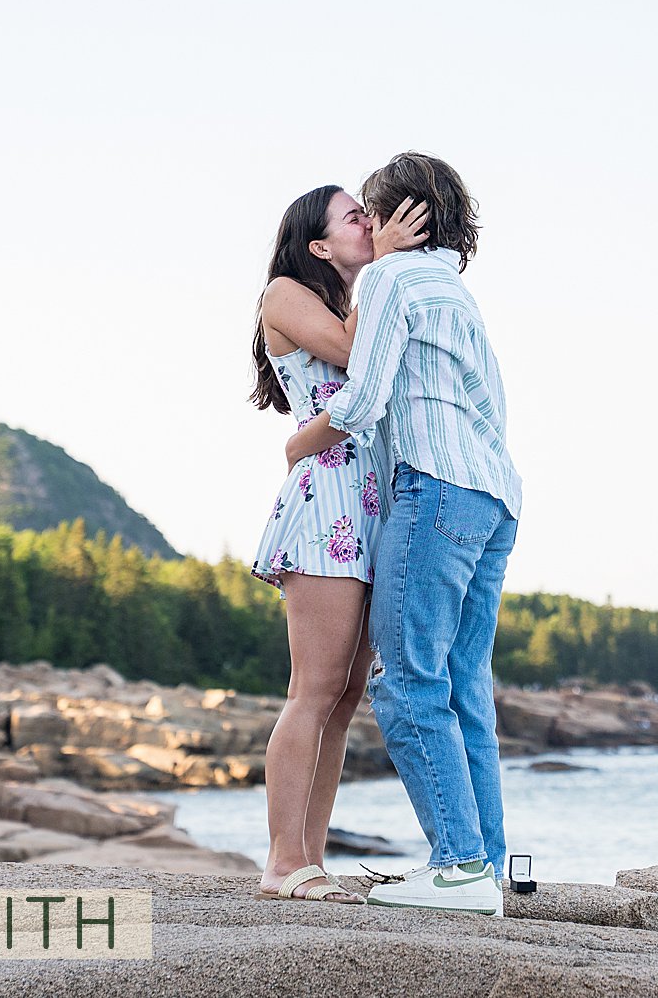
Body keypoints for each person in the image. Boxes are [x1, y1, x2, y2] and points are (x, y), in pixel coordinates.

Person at [284, 152, 521, 916]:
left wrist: (300, 444)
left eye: (368, 213)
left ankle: (458, 869)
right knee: (462, 687)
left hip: (433, 487)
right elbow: (491, 403)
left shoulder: (390, 278)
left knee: (407, 680)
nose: (364, 225)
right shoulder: (455, 289)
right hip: (494, 496)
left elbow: (365, 392)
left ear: (395, 221)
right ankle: (487, 863)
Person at [248, 184, 427, 903]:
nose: (371, 222)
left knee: (348, 693)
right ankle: (282, 862)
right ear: (320, 244)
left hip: (371, 498)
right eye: (355, 217)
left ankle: (308, 857)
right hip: (328, 501)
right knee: (314, 689)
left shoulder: (357, 297)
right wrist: (383, 263)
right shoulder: (286, 292)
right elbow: (355, 355)